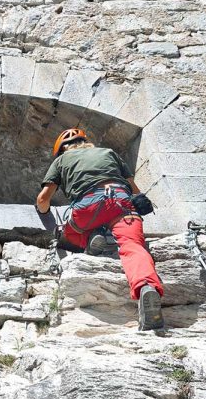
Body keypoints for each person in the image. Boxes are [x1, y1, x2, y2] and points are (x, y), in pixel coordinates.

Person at [35, 128, 166, 331]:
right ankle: (146, 287)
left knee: (69, 232)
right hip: (122, 203)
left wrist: (43, 214)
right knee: (133, 247)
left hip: (88, 207)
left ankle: (92, 239)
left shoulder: (61, 160)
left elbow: (44, 199)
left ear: (62, 149)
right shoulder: (108, 153)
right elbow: (135, 190)